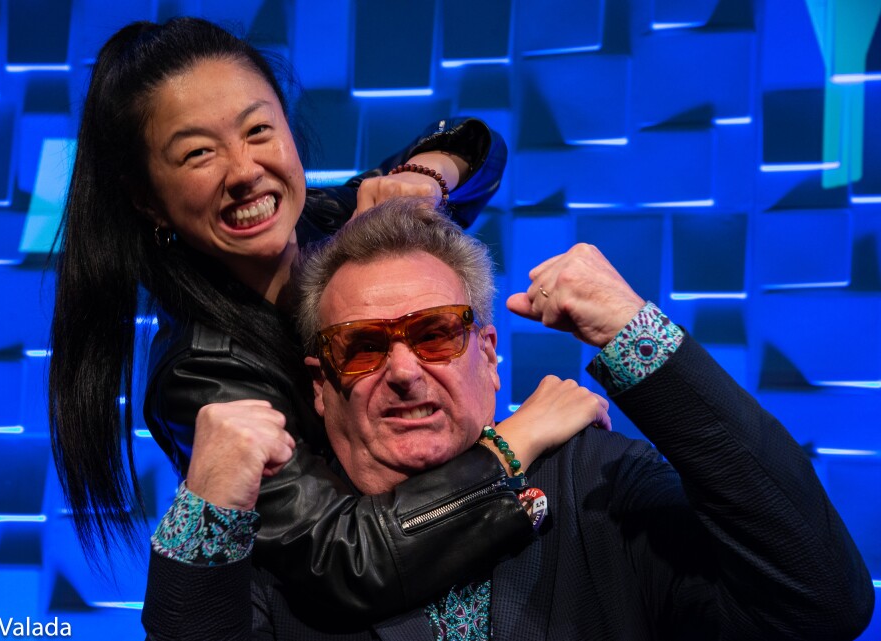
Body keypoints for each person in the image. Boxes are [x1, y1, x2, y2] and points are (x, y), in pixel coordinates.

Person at [142, 199, 875, 640]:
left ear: (489, 358)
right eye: (362, 348)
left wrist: (634, 331)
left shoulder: (598, 484)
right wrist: (205, 509)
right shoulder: (287, 542)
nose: (403, 370)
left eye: (435, 334)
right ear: (322, 389)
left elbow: (821, 601)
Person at [47, 16, 562, 620]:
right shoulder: (201, 373)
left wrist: (424, 179)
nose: (243, 171)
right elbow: (346, 561)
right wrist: (515, 442)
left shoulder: (329, 218)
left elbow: (475, 144)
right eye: (198, 154)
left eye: (258, 129)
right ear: (147, 199)